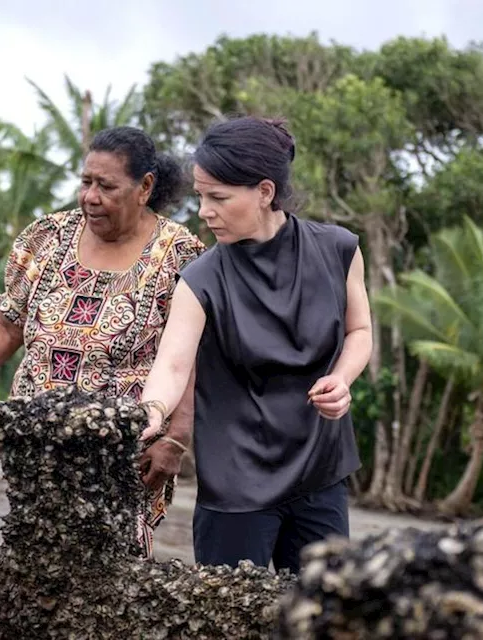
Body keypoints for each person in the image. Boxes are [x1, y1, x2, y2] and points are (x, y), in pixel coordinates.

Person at [0, 126, 208, 558]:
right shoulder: (47, 238)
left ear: (145, 187)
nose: (90, 197)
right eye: (86, 182)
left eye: (106, 186)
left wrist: (175, 438)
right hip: (37, 442)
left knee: (114, 566)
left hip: (124, 451)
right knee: (35, 559)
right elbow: (8, 323)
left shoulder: (180, 254)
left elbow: (189, 357)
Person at [135, 116, 373, 574]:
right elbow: (171, 366)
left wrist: (342, 380)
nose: (204, 210)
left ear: (265, 192)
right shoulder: (201, 278)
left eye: (218, 197)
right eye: (201, 196)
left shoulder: (339, 249)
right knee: (225, 621)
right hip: (236, 483)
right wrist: (152, 412)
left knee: (318, 615)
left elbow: (359, 332)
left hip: (320, 472)